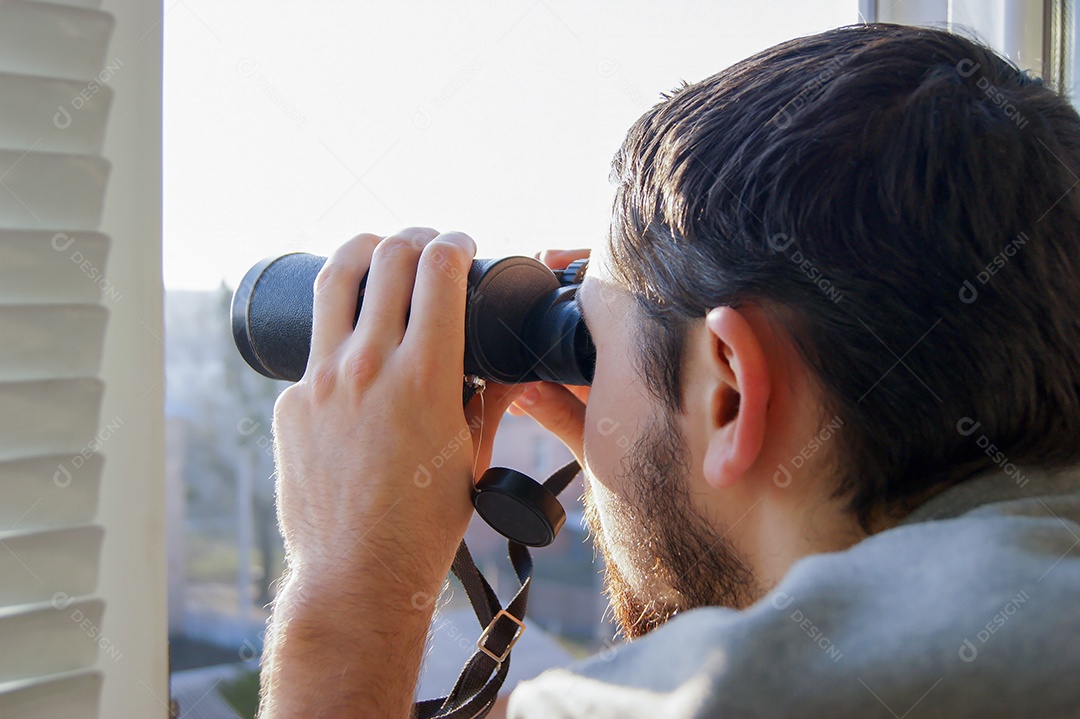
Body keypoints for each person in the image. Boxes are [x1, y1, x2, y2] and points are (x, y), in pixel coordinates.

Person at [256, 23, 1080, 718]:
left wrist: (347, 582)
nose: (584, 381)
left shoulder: (697, 698)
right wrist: (665, 484)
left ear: (729, 389)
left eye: (591, 340)